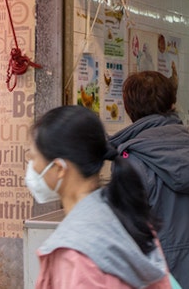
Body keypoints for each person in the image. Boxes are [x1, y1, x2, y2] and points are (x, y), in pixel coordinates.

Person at [32, 105, 172, 289]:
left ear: (59, 169)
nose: (32, 167)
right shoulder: (130, 220)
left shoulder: (74, 254)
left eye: (33, 158)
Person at [109, 71, 189, 289]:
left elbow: (126, 237)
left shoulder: (131, 159)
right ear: (172, 103)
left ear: (128, 107)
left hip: (156, 279)